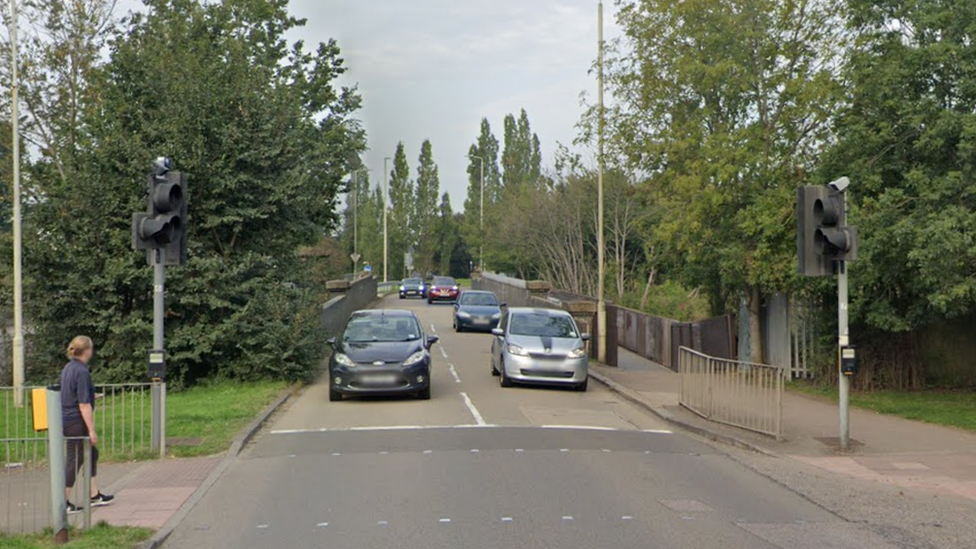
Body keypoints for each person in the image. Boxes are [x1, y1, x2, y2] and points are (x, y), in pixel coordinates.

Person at [60, 335, 114, 513]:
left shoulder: (68, 368)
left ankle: (94, 494)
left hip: (67, 418)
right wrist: (91, 430)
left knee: (91, 454)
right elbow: (83, 404)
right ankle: (64, 501)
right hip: (76, 420)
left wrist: (92, 395)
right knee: (74, 459)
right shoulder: (82, 372)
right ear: (88, 350)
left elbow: (72, 393)